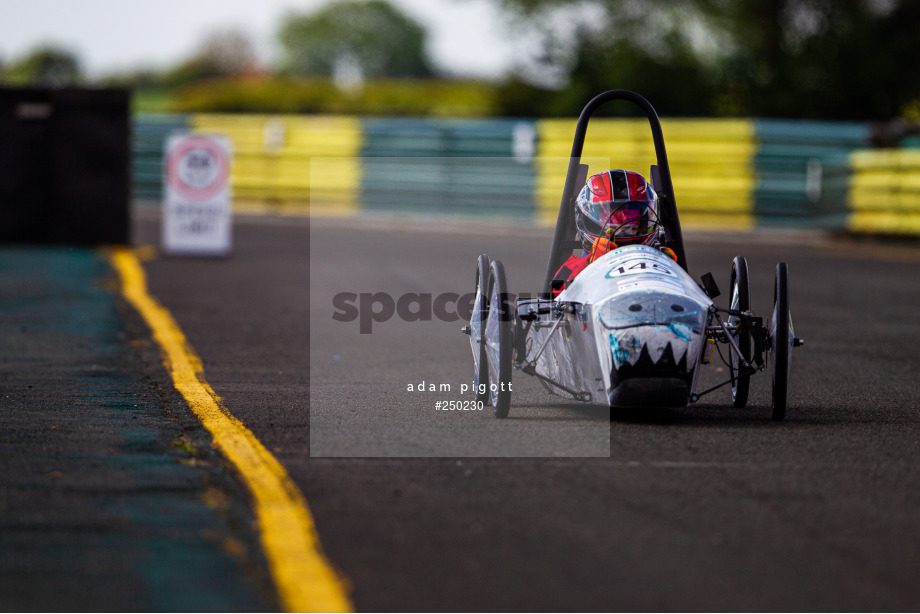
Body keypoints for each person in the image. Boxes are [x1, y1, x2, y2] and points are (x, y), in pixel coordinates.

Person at [551, 169, 676, 297]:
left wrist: (671, 269)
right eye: (614, 222)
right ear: (593, 221)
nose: (622, 227)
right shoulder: (576, 267)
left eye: (630, 224)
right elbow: (557, 290)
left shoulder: (660, 257)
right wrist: (592, 265)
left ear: (642, 222)